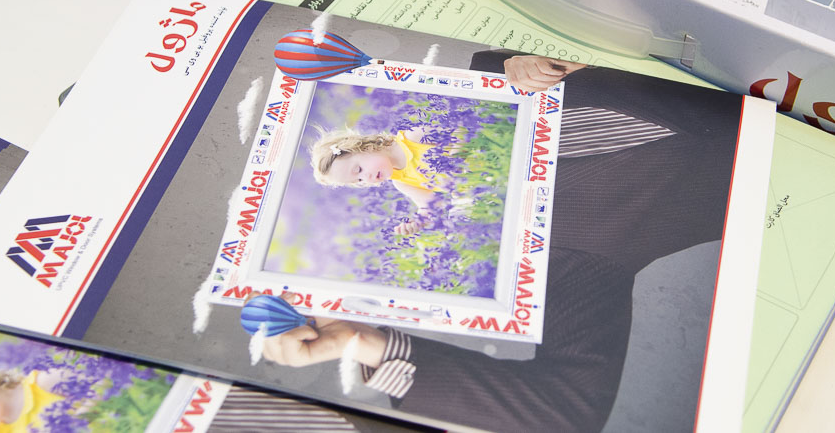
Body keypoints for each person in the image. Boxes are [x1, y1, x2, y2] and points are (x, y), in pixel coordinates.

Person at [264, 51, 748, 432]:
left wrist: (543, 65)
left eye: (356, 170)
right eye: (356, 185)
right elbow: (565, 412)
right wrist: (367, 344)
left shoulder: (488, 79)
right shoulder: (561, 262)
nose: (365, 181)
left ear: (362, 146)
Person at [311, 127, 445, 237]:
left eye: (359, 170)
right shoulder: (402, 182)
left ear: (365, 148)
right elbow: (433, 204)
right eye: (359, 180)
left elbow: (456, 132)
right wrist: (418, 222)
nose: (367, 178)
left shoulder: (414, 138)